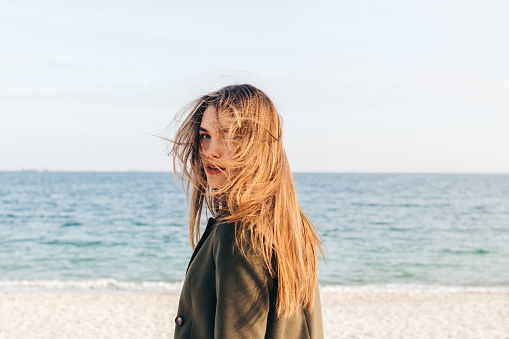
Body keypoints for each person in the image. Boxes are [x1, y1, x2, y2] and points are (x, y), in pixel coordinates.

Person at [170, 84, 324, 338]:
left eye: (229, 136)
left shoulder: (239, 231)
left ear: (259, 144)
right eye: (205, 135)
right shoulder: (291, 224)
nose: (210, 151)